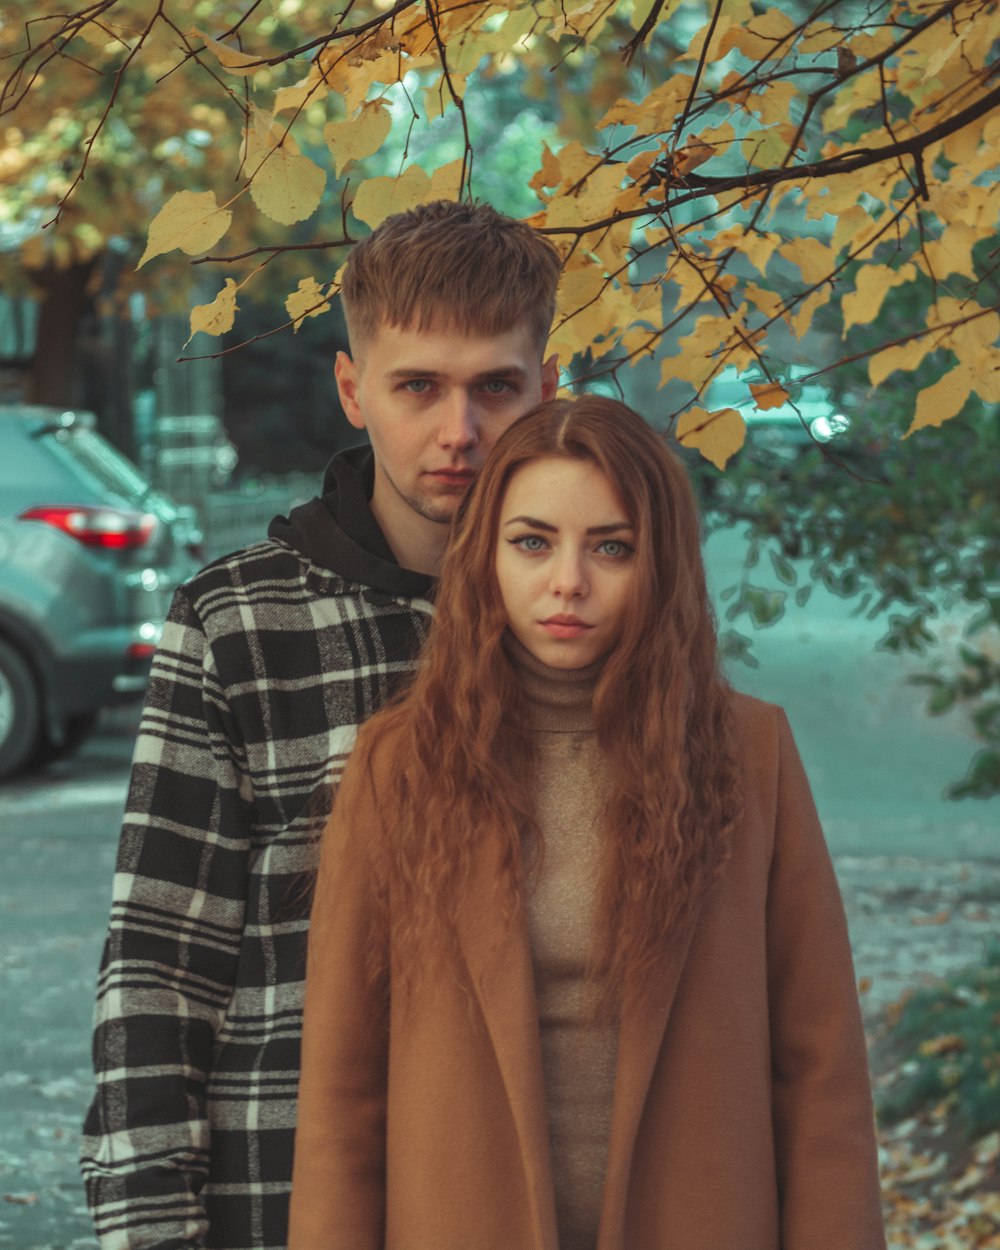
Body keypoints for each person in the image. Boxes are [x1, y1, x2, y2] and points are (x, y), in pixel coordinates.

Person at [288, 396, 887, 1250]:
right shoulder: (400, 767)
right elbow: (343, 1101)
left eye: (611, 546)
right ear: (485, 556)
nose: (568, 580)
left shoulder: (751, 756)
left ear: (661, 563)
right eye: (533, 542)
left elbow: (821, 1078)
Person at [80, 200, 561, 1250]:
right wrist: (150, 1227)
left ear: (546, 388)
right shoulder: (238, 623)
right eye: (417, 386)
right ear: (353, 388)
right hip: (283, 1193)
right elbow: (161, 965)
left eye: (494, 386)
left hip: (542, 1194)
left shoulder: (597, 624)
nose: (459, 430)